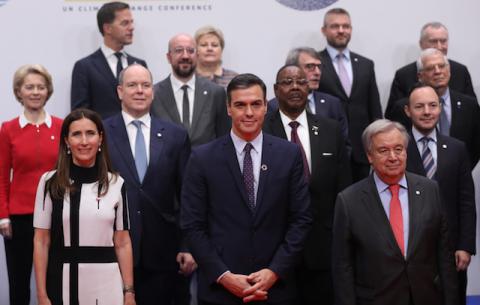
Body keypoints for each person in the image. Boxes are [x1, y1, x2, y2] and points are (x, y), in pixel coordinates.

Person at [181, 73, 312, 305]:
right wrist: (224, 276)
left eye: (256, 104)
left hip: (276, 289)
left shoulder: (289, 154)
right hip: (220, 291)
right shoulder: (202, 158)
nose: (249, 112)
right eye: (240, 105)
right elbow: (192, 225)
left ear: (266, 107)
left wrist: (274, 272)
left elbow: (301, 219)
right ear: (229, 108)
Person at [332, 119, 458, 305]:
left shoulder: (430, 190)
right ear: (369, 156)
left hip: (427, 296)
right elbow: (342, 266)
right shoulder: (349, 200)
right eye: (383, 150)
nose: (393, 157)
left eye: (398, 149)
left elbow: (444, 256)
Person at [104, 64, 194, 305]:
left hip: (164, 251)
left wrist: (188, 245)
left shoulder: (176, 135)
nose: (140, 91)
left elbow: (187, 194)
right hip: (112, 249)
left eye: (145, 85)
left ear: (153, 92)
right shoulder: (101, 132)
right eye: (132, 85)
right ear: (120, 91)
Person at [263, 65, 351, 305]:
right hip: (274, 249)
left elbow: (343, 189)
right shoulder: (261, 129)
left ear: (309, 87)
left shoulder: (329, 129)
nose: (294, 87)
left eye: (301, 81)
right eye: (287, 82)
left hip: (322, 247)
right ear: (275, 89)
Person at [33, 109, 135, 305]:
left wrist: (129, 292)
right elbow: (41, 241)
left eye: (90, 133)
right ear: (66, 141)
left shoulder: (116, 183)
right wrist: (41, 294)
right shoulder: (49, 182)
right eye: (76, 134)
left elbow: (123, 243)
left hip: (108, 284)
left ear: (100, 138)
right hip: (61, 282)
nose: (84, 141)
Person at [404, 83, 476, 305]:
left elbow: (466, 201)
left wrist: (465, 246)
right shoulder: (398, 149)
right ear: (408, 111)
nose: (427, 112)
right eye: (420, 106)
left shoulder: (457, 148)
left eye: (433, 105)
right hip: (411, 249)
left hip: (452, 249)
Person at [0, 64, 62, 305]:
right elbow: (2, 176)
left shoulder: (61, 126)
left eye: (41, 87)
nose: (36, 92)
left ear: (48, 91)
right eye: (29, 87)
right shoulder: (8, 130)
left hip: (56, 215)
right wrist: (3, 215)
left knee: (54, 281)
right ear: (19, 92)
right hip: (20, 219)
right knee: (19, 284)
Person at [385, 48, 480, 169]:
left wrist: (460, 168)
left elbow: (476, 145)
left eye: (442, 66)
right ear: (420, 75)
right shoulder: (402, 108)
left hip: (458, 176)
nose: (437, 71)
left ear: (449, 70)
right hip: (415, 178)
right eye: (430, 68)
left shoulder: (469, 105)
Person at [317, 8, 383, 182]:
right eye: (335, 26)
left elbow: (374, 107)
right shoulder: (315, 63)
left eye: (346, 26)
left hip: (362, 150)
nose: (341, 30)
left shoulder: (366, 64)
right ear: (324, 30)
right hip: (328, 147)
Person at [71, 1, 147, 119]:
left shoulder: (139, 65)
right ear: (107, 28)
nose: (131, 28)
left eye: (132, 23)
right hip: (104, 135)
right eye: (125, 23)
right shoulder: (85, 67)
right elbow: (80, 114)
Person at [151, 33, 230, 147]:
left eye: (190, 51)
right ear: (169, 57)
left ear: (197, 56)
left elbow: (224, 138)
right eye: (178, 50)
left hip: (206, 164)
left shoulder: (216, 93)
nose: (185, 56)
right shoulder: (154, 94)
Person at [386, 21, 476, 111]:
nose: (439, 46)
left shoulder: (460, 71)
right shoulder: (403, 75)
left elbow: (472, 109)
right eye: (433, 41)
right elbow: (394, 113)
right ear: (421, 44)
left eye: (443, 41)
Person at [267, 47, 349, 143]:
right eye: (310, 66)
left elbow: (344, 144)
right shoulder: (274, 106)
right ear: (292, 69)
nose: (317, 72)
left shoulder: (332, 104)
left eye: (319, 67)